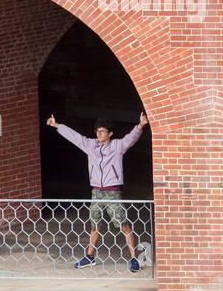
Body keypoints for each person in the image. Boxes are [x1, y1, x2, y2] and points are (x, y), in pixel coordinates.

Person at [46, 112, 149, 271]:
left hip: (112, 192)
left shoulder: (117, 146)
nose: (99, 134)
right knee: (94, 226)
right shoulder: (90, 145)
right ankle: (89, 257)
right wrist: (57, 126)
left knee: (124, 226)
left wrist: (140, 125)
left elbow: (131, 138)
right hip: (96, 192)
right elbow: (75, 137)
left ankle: (134, 259)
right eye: (97, 131)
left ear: (110, 134)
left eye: (102, 131)